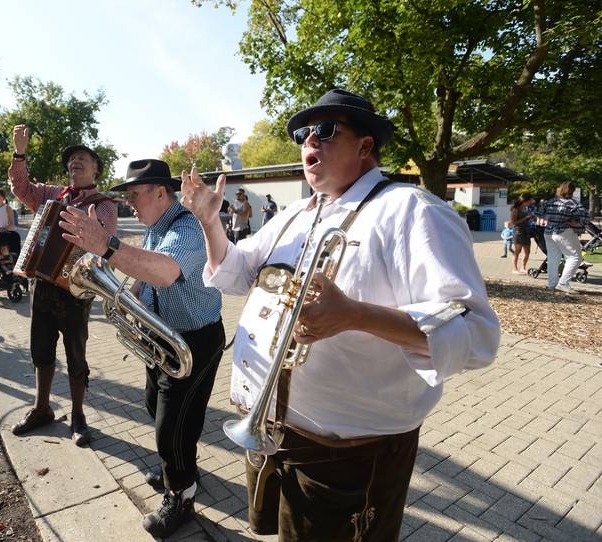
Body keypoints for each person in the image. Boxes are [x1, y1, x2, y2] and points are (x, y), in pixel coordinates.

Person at [180, 88, 500, 541]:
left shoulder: (412, 211)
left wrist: (353, 315)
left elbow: (476, 334)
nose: (309, 141)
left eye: (325, 130)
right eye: (303, 134)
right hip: (273, 432)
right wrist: (210, 224)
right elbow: (235, 273)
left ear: (365, 145)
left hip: (347, 453)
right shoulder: (295, 214)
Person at [58, 159, 224, 538]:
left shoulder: (187, 228)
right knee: (156, 407)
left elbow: (165, 271)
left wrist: (107, 244)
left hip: (193, 340)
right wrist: (125, 299)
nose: (128, 203)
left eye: (134, 195)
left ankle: (181, 495)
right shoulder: (156, 226)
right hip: (164, 337)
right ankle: (180, 468)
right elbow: (146, 275)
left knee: (172, 426)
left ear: (160, 193)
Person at [7, 124, 118, 446]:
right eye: (71, 160)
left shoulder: (105, 205)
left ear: (96, 167)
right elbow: (20, 186)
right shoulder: (52, 194)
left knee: (75, 355)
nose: (75, 162)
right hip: (42, 285)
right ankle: (41, 409)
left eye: (83, 158)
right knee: (40, 350)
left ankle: (79, 416)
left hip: (75, 290)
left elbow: (105, 247)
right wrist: (19, 151)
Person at [536, 181, 590, 295]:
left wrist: (550, 218)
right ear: (572, 191)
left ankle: (552, 284)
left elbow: (539, 213)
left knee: (552, 259)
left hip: (549, 232)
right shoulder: (573, 203)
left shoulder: (550, 201)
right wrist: (576, 223)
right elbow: (586, 217)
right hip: (564, 231)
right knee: (575, 257)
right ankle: (563, 283)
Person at [509, 193, 535, 274]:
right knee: (517, 251)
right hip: (518, 232)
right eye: (530, 200)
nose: (531, 202)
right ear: (525, 201)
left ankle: (523, 267)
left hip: (526, 232)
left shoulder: (526, 208)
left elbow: (528, 219)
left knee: (527, 251)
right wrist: (526, 218)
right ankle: (514, 268)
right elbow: (514, 222)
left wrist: (532, 218)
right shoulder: (515, 209)